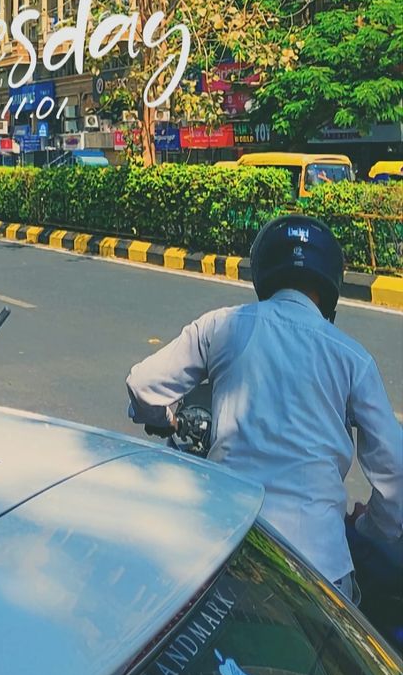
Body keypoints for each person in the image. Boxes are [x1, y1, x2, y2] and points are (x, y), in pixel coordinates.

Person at [127, 214, 402, 599]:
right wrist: (370, 528)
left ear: (264, 270)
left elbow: (143, 386)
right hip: (321, 571)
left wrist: (167, 419)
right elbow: (396, 474)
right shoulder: (352, 358)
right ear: (332, 281)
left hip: (233, 553)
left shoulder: (221, 325)